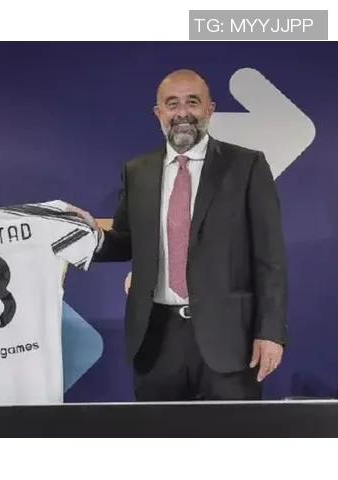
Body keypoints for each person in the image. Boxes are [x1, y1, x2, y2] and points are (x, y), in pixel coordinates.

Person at [68, 69, 288, 401]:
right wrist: (91, 235)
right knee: (159, 432)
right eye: (172, 104)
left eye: (192, 102)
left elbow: (269, 259)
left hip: (229, 340)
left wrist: (270, 332)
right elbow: (126, 240)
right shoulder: (137, 171)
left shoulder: (247, 166)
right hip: (156, 341)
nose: (183, 113)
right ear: (158, 112)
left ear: (210, 109)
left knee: (232, 432)